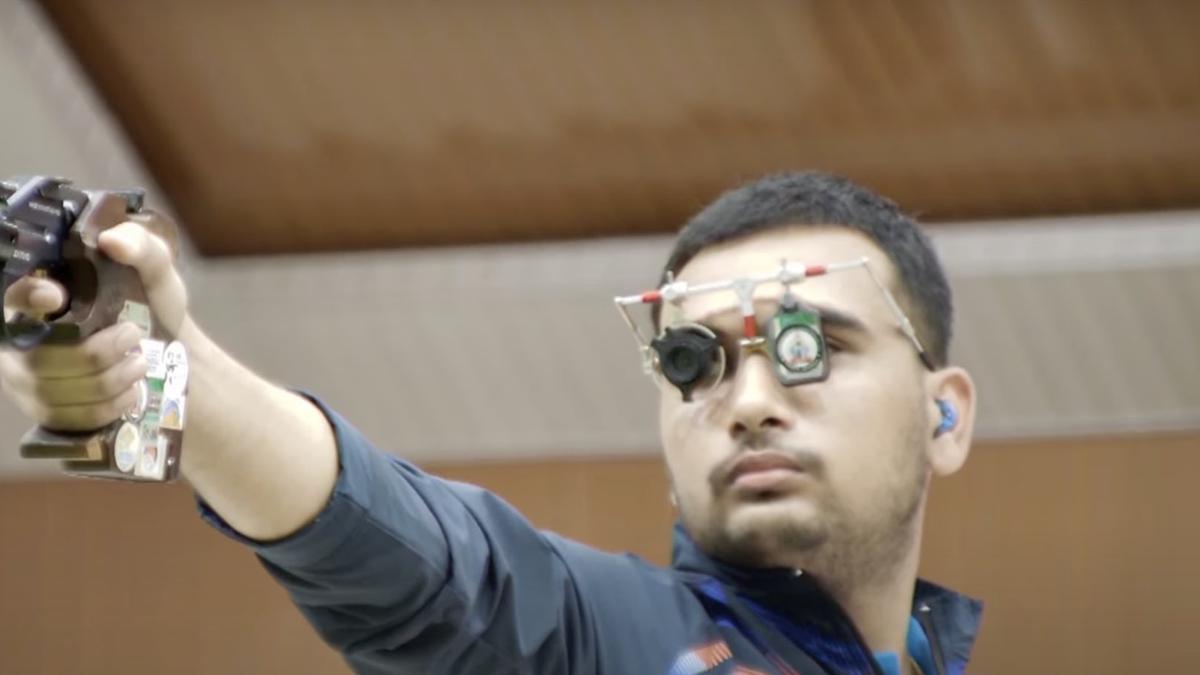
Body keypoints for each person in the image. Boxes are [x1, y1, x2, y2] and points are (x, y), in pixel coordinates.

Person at [0, 172, 981, 675]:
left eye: (816, 347)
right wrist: (171, 388)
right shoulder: (602, 642)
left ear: (947, 412)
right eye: (696, 361)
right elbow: (430, 571)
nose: (751, 399)